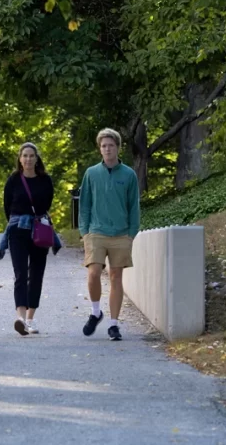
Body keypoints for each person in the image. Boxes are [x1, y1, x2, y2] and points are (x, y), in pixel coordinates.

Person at [78, 128, 140, 341]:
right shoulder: (91, 173)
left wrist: (132, 233)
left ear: (117, 147)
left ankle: (114, 324)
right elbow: (84, 204)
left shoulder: (129, 174)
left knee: (116, 276)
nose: (107, 149)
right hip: (96, 232)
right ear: (100, 149)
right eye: (103, 146)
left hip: (121, 233)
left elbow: (134, 206)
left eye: (110, 145)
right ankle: (96, 312)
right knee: (94, 273)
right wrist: (84, 231)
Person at [0, 142, 56, 336]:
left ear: (37, 158)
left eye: (32, 156)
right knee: (20, 273)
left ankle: (31, 318)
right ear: (20, 159)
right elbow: (8, 206)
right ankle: (21, 318)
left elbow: (47, 202)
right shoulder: (13, 180)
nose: (28, 159)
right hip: (18, 230)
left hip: (39, 229)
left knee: (37, 273)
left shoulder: (45, 180)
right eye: (25, 156)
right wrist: (19, 222)